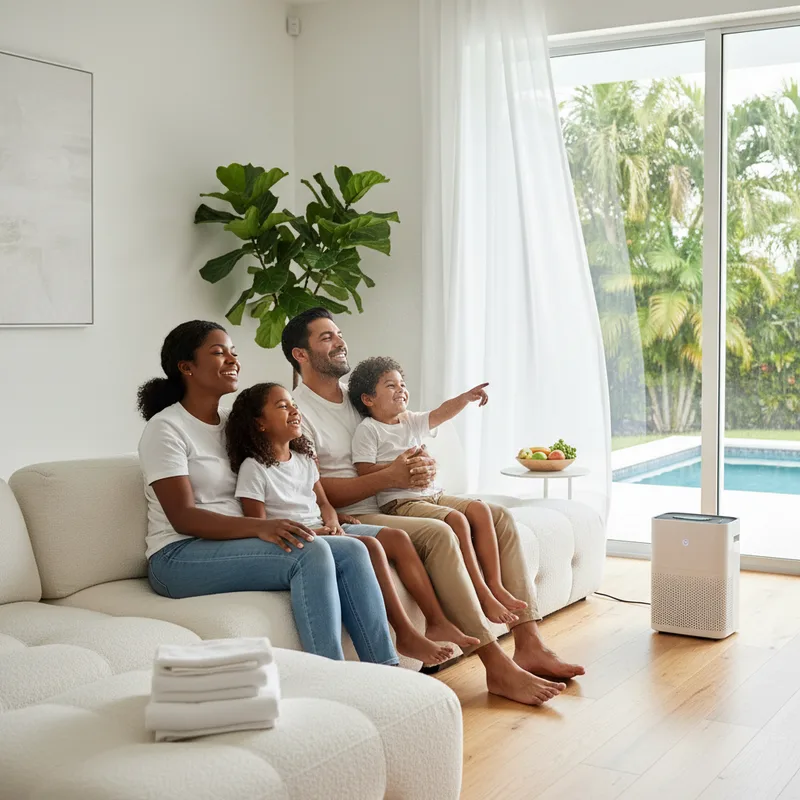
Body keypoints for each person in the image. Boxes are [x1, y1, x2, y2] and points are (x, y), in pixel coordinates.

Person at [282, 308, 586, 707]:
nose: (340, 342)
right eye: (326, 337)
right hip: (361, 510)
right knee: (440, 533)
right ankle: (495, 664)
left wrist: (421, 466)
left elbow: (407, 437)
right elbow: (312, 487)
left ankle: (529, 641)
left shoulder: (361, 398)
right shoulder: (295, 413)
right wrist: (391, 477)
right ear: (300, 355)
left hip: (403, 497)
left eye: (339, 334)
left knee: (497, 515)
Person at [136, 319, 398, 665]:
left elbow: (282, 472)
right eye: (218, 353)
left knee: (351, 549)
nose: (232, 360)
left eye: (233, 352)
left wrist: (317, 513)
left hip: (233, 542)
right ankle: (331, 674)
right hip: (177, 556)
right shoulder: (166, 429)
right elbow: (183, 517)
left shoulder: (235, 422)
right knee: (311, 552)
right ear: (186, 367)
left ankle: (385, 669)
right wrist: (262, 527)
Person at [225, 381, 479, 665]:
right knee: (368, 545)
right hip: (298, 540)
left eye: (293, 405)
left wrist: (333, 521)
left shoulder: (304, 459)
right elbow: (258, 525)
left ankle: (436, 620)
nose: (294, 411)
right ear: (259, 423)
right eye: (283, 406)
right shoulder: (254, 468)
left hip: (325, 529)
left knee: (396, 538)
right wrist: (318, 531)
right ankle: (405, 633)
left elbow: (323, 502)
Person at [349, 356, 527, 626]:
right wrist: (399, 470)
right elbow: (363, 471)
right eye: (390, 386)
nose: (401, 390)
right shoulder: (369, 430)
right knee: (455, 519)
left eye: (402, 384)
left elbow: (440, 413)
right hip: (400, 502)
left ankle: (495, 584)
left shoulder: (410, 421)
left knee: (478, 509)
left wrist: (465, 398)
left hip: (431, 495)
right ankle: (481, 592)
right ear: (368, 399)